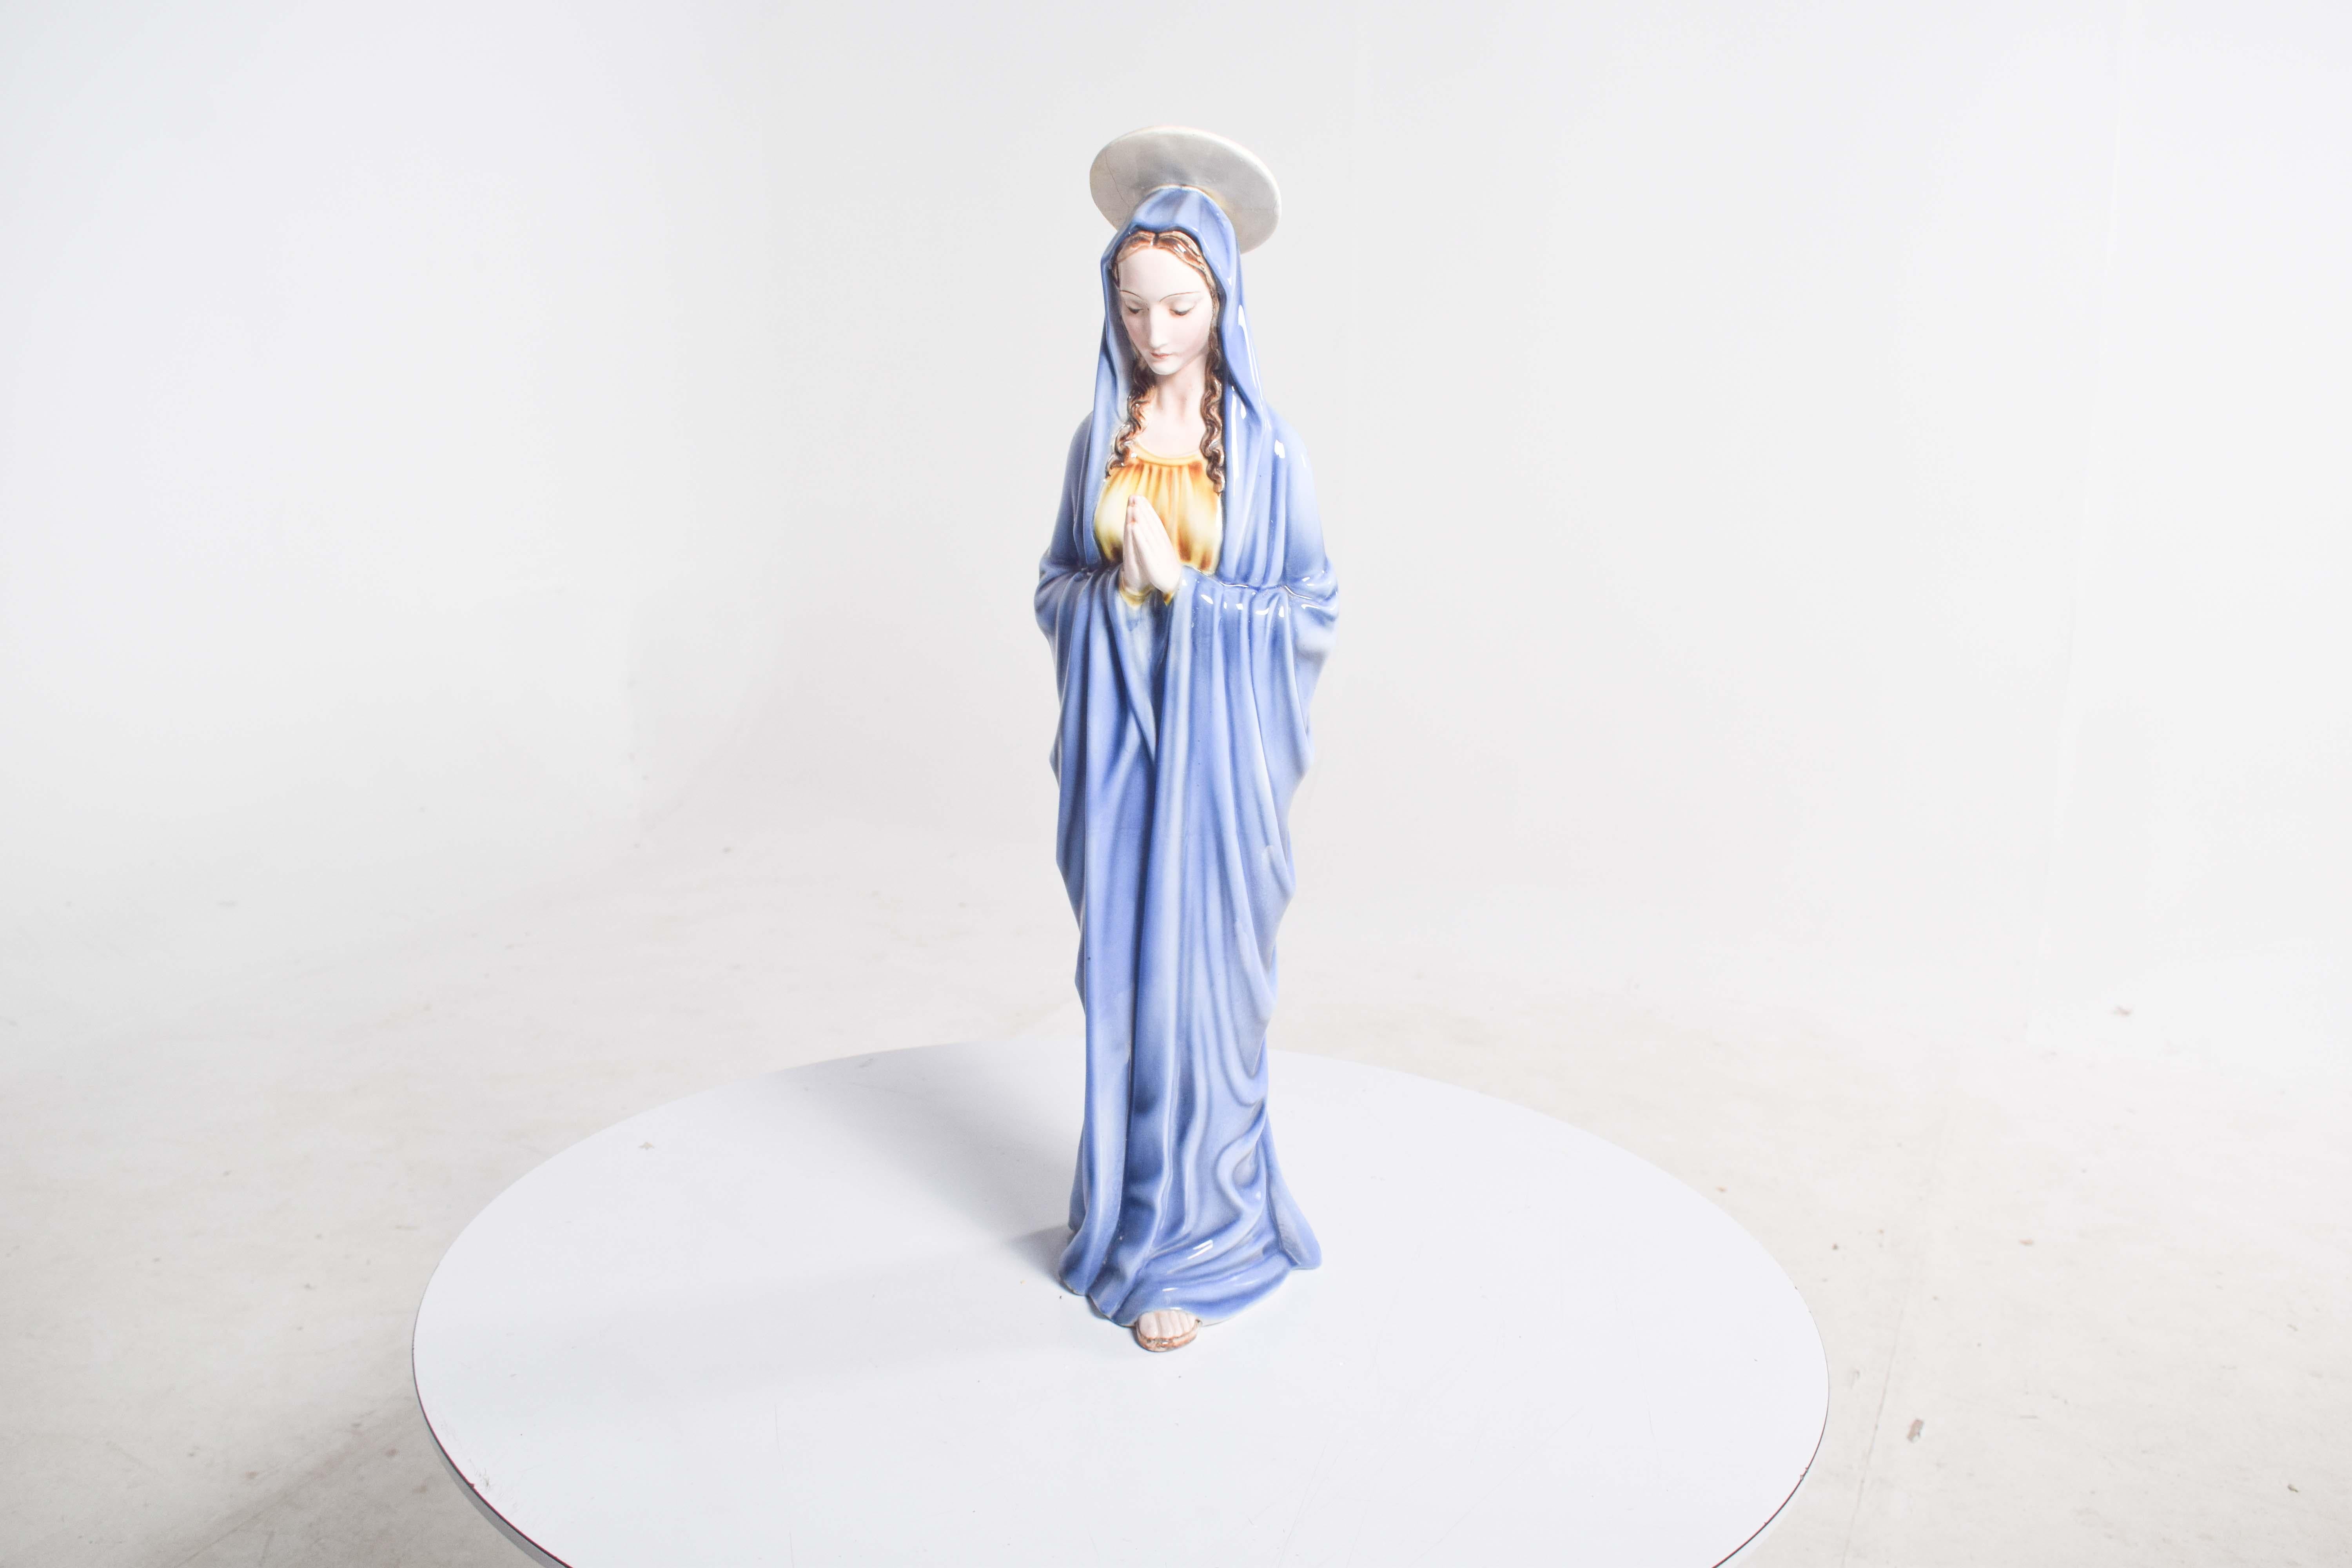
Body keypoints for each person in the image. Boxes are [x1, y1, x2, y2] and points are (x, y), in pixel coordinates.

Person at [1036, 133, 1336, 1353]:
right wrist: (1114, 595)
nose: (1155, 333)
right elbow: (1056, 585)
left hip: (1217, 785)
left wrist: (1190, 596)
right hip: (1124, 769)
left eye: (1180, 306)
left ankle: (1205, 1236)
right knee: (1129, 996)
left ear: (1223, 303)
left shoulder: (1269, 457)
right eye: (1134, 306)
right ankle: (1133, 1216)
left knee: (1204, 1003)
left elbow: (1312, 612)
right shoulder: (1098, 443)